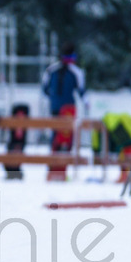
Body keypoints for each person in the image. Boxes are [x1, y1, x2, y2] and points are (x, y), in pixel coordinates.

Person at [41, 43, 87, 180]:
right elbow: (82, 92)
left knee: (57, 138)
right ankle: (59, 170)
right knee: (64, 139)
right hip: (67, 109)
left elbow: (45, 90)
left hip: (56, 108)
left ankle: (56, 170)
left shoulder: (51, 70)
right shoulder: (75, 72)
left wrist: (54, 98)